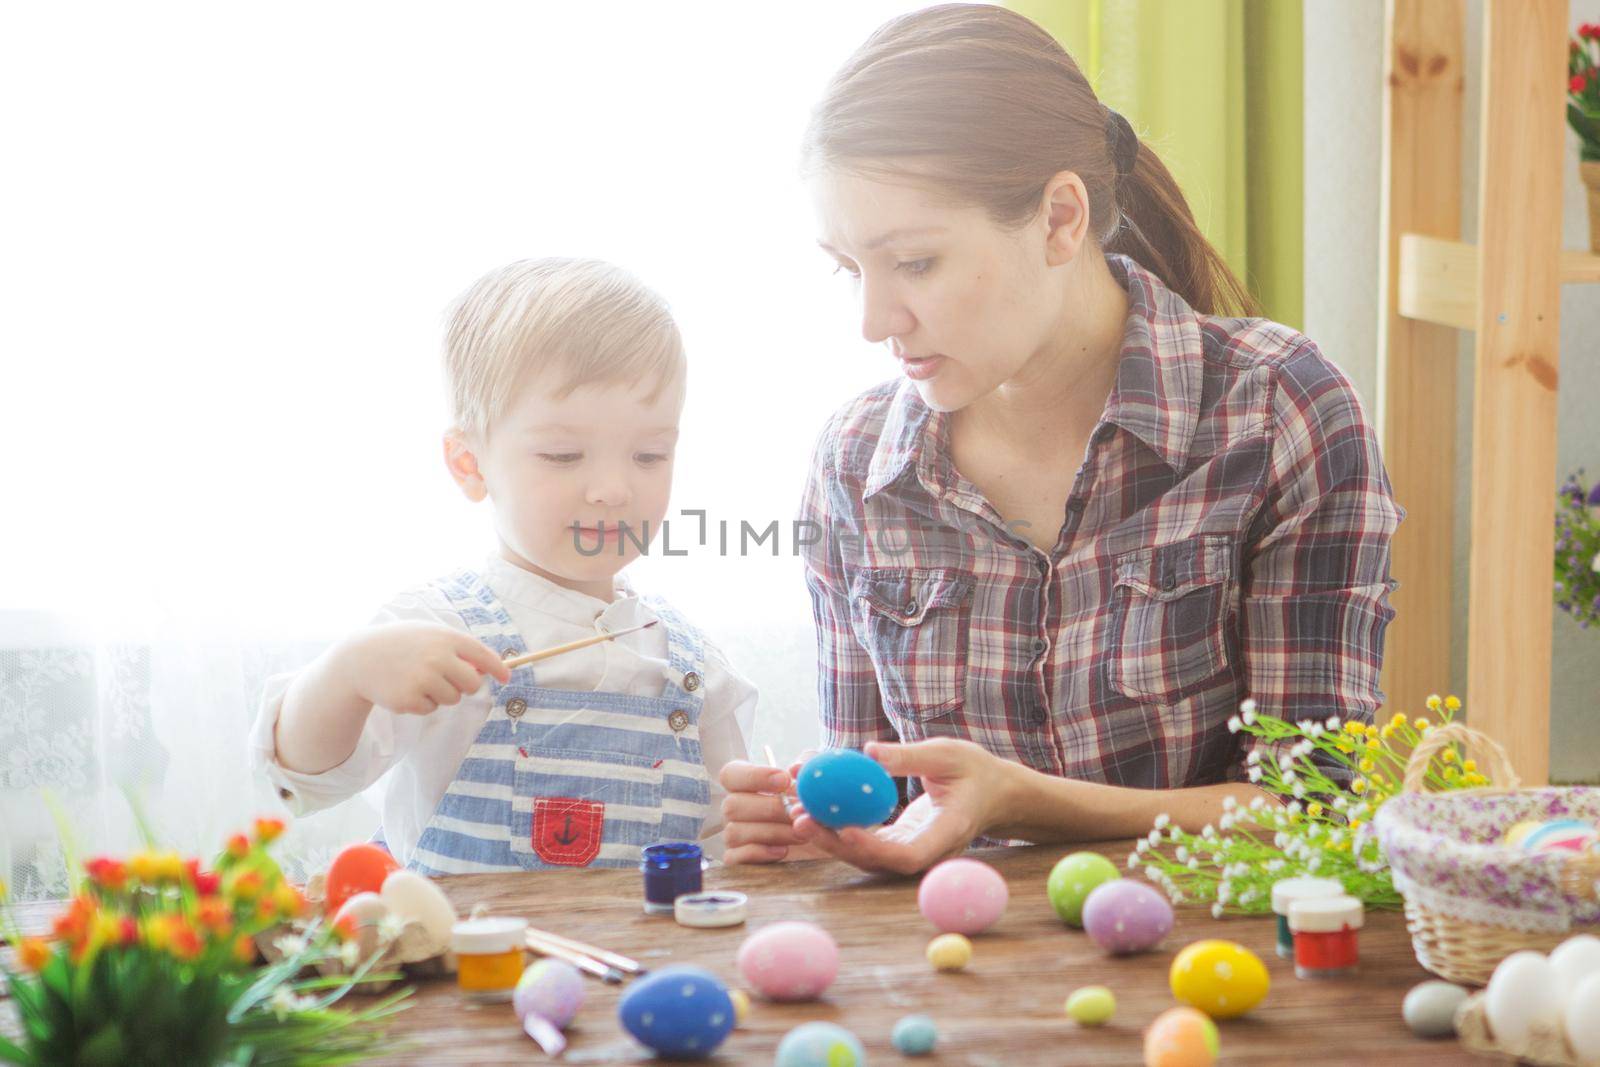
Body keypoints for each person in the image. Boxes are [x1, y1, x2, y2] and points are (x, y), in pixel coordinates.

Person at [719, 4, 1400, 873]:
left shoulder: (1277, 414)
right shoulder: (855, 466)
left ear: (1059, 219)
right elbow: (879, 803)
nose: (872, 321)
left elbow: (1316, 806)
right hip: (956, 976)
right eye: (850, 268)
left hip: (1213, 963)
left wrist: (1025, 803)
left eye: (915, 262)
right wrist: (808, 819)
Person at [250, 258, 755, 873]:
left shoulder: (693, 667)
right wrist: (347, 675)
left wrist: (766, 831)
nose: (613, 489)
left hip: (642, 966)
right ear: (469, 464)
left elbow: (721, 847)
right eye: (563, 455)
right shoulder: (429, 632)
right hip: (467, 966)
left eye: (650, 455)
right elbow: (302, 782)